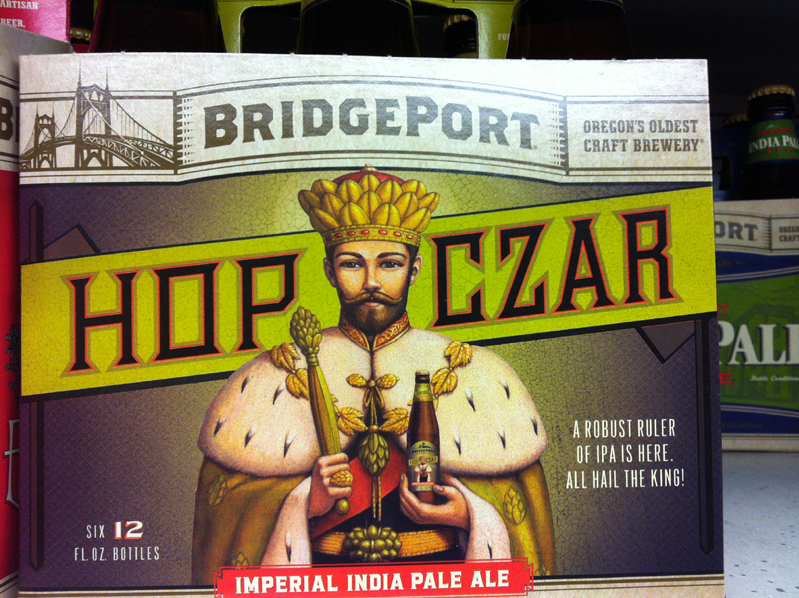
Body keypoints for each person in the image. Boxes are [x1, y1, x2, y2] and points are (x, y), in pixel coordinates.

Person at [191, 167, 555, 582]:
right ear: (329, 272)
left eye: (389, 264)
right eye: (352, 264)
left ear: (414, 270)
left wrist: (468, 514)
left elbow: (521, 514)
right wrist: (306, 501)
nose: (371, 282)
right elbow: (225, 511)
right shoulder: (279, 371)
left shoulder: (471, 369)